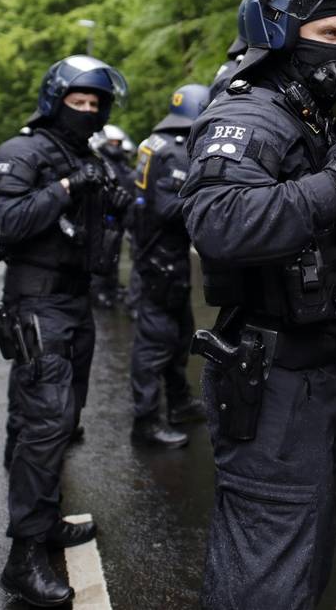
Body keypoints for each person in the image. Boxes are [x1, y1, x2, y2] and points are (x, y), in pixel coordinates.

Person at [179, 0, 336, 609]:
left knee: (298, 556)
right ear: (279, 32)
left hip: (306, 374)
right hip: (271, 375)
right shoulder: (250, 114)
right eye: (329, 33)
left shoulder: (304, 118)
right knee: (268, 571)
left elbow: (297, 216)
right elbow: (218, 221)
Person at [0, 54, 133, 605]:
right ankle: (23, 556)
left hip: (76, 300)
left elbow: (101, 227)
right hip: (36, 302)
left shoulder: (86, 155)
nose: (88, 110)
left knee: (65, 419)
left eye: (96, 103)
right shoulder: (22, 151)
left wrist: (114, 203)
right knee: (45, 424)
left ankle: (45, 522)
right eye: (79, 100)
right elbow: (13, 222)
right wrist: (69, 185)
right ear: (55, 101)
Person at [127, 83, 212, 447]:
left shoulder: (155, 142)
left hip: (160, 255)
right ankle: (146, 423)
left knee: (178, 335)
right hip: (161, 258)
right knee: (155, 343)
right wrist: (210, 195)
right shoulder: (175, 151)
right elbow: (167, 208)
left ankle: (179, 403)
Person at [90, 123, 136, 309]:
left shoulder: (118, 163)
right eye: (113, 142)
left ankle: (111, 287)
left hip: (117, 215)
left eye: (118, 142)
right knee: (103, 253)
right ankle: (98, 291)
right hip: (103, 216)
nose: (116, 146)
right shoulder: (99, 161)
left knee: (113, 253)